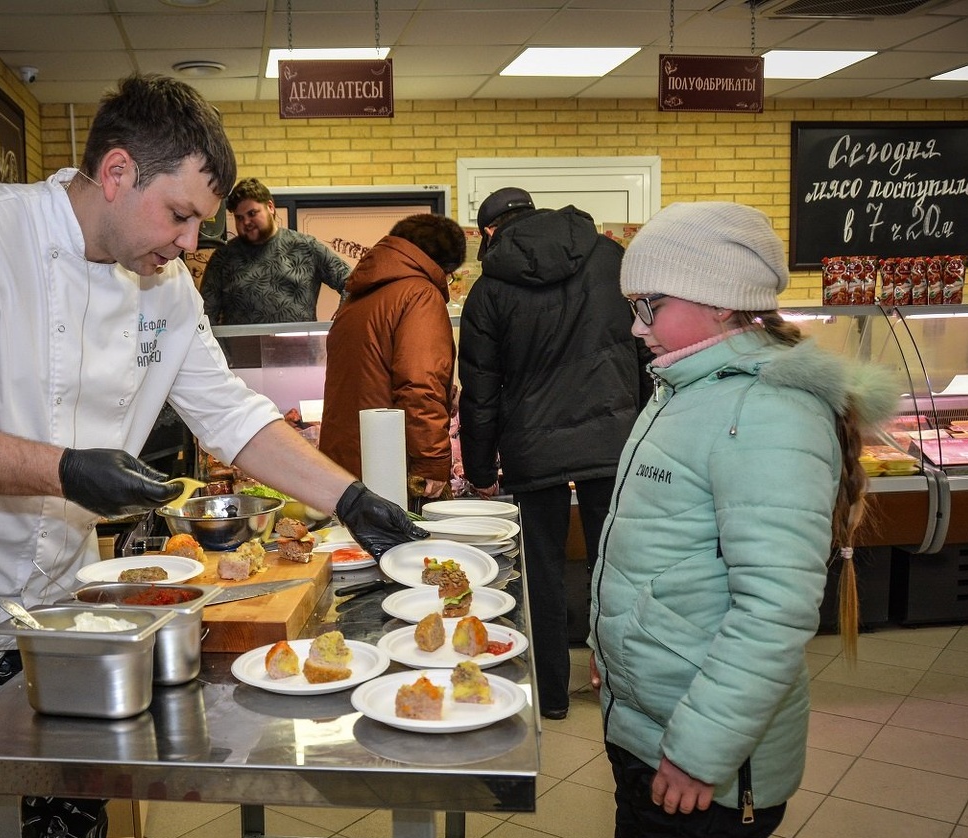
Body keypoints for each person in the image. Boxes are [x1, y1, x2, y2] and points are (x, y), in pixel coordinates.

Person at [0, 74, 422, 838]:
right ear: (115, 172)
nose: (190, 244)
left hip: (56, 601)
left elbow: (231, 413)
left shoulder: (166, 287)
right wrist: (64, 470)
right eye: (179, 216)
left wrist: (350, 498)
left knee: (67, 821)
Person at [590, 201, 898, 838]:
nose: (638, 327)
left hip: (706, 745)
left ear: (722, 298)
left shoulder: (765, 413)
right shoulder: (690, 390)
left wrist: (699, 750)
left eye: (650, 306)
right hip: (650, 715)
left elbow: (775, 610)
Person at [457, 187, 649, 720]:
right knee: (615, 565)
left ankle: (553, 697)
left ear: (489, 232)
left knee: (538, 571)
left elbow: (480, 389)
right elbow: (643, 347)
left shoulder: (489, 290)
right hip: (612, 439)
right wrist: (643, 427)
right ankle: (623, 687)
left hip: (531, 447)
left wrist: (479, 468)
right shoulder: (610, 257)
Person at [319, 213, 467, 509]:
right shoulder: (420, 295)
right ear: (442, 266)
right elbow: (419, 385)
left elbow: (370, 374)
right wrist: (432, 464)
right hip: (390, 468)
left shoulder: (357, 297)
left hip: (345, 466)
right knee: (402, 553)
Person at [199, 177, 350, 324]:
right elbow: (205, 315)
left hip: (300, 347)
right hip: (240, 349)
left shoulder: (306, 247)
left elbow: (351, 281)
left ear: (270, 207)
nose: (246, 222)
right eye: (239, 218)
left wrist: (342, 321)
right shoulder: (223, 258)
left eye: (252, 213)